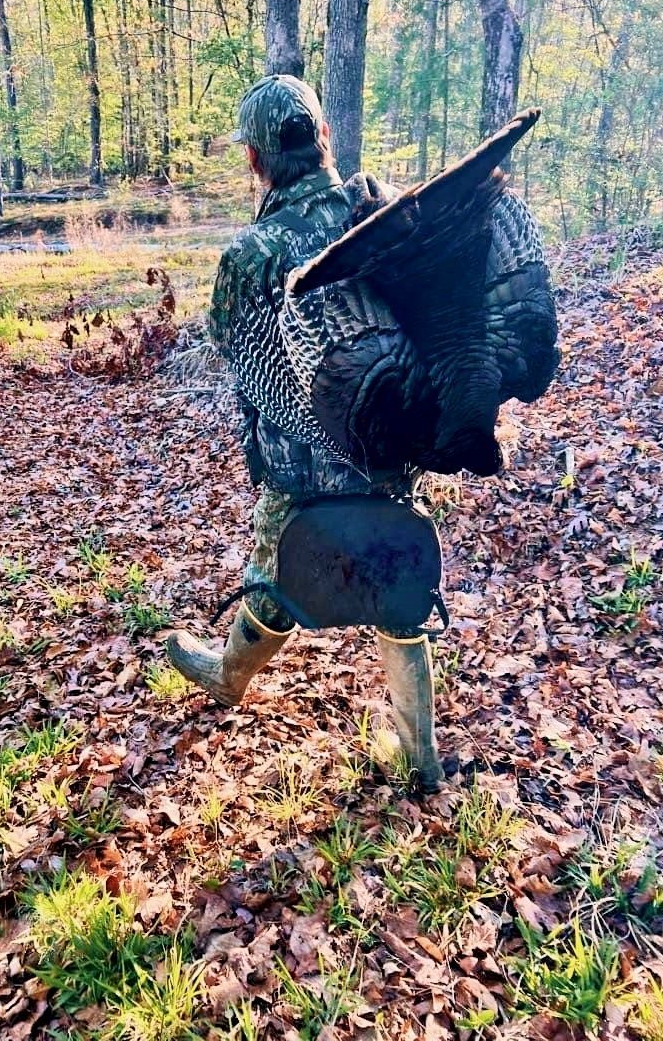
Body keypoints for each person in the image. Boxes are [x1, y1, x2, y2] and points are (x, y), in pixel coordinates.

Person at [166, 74, 442, 792]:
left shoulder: (251, 253)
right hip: (390, 456)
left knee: (273, 577)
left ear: (254, 159)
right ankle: (421, 757)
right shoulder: (379, 214)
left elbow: (228, 342)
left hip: (301, 471)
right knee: (400, 586)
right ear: (322, 137)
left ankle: (228, 677)